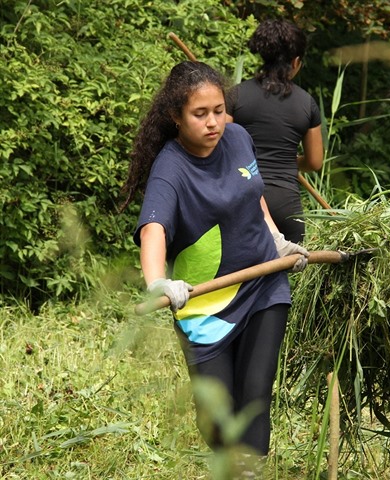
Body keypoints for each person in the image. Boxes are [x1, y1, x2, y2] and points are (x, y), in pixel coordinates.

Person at [120, 61, 309, 477]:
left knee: (255, 393)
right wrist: (159, 283)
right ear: (176, 117)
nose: (214, 123)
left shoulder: (239, 137)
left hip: (263, 283)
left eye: (219, 110)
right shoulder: (171, 168)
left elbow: (253, 192)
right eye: (200, 114)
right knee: (219, 414)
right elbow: (154, 231)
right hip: (204, 302)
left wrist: (276, 239)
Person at [227, 19, 324, 244]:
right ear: (296, 61)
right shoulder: (307, 104)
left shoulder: (235, 96)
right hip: (286, 207)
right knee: (288, 277)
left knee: (240, 276)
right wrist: (289, 161)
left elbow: (220, 146)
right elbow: (315, 162)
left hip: (243, 198)